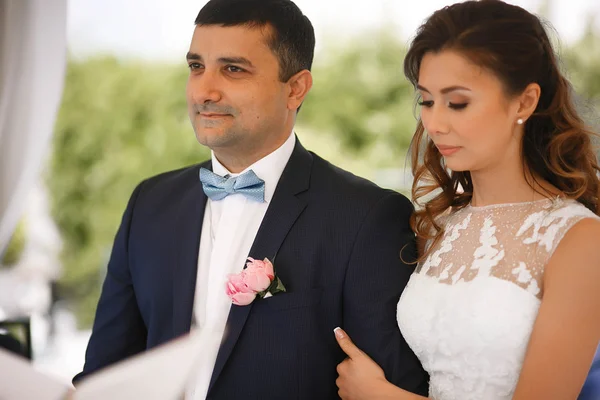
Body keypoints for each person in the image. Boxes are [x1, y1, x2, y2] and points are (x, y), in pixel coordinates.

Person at [73, 0, 428, 398]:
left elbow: (387, 388)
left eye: (233, 69)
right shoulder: (150, 204)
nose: (204, 91)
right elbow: (104, 374)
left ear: (295, 89)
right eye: (196, 67)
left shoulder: (366, 217)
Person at [333, 1, 600, 399]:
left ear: (525, 102)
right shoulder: (440, 226)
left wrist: (380, 395)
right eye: (426, 100)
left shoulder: (579, 239)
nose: (435, 123)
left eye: (457, 102)